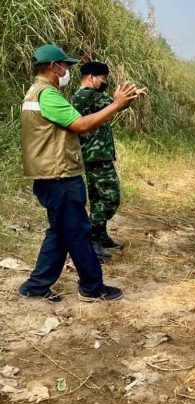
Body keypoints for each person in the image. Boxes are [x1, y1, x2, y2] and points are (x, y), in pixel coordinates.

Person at [18, 44, 139, 302]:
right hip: (59, 175)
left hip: (48, 174)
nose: (68, 71)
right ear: (54, 67)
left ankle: (36, 286)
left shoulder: (33, 92)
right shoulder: (48, 95)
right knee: (78, 232)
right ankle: (92, 288)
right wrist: (117, 104)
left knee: (60, 231)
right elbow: (81, 124)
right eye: (66, 66)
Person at [72, 61, 148, 260]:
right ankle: (92, 239)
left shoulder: (91, 95)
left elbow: (116, 104)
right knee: (109, 198)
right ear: (90, 77)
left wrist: (131, 96)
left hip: (97, 155)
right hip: (94, 156)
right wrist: (129, 96)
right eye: (103, 79)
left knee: (98, 197)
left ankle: (100, 235)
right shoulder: (86, 95)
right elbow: (115, 105)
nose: (105, 83)